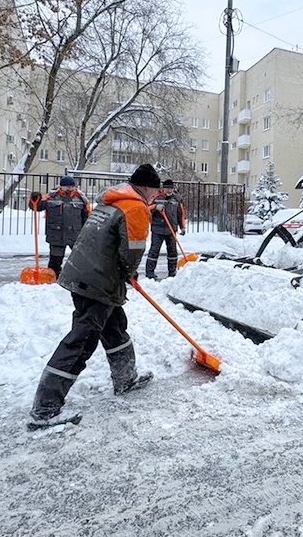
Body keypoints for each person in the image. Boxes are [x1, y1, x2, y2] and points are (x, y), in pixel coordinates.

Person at [28, 163, 162, 429]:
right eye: (156, 191)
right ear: (147, 187)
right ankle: (45, 408)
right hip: (96, 281)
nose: (156, 196)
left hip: (86, 273)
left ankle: (125, 379)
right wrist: (129, 272)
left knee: (114, 327)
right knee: (82, 341)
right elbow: (132, 251)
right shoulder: (135, 207)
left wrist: (123, 274)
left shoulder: (112, 201)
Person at [29, 176, 92, 277]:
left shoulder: (81, 199)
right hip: (57, 235)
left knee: (80, 260)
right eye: (66, 186)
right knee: (55, 261)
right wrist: (35, 198)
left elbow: (86, 216)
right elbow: (37, 206)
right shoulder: (51, 197)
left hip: (75, 235)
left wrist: (86, 232)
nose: (69, 188)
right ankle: (53, 278)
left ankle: (80, 278)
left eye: (71, 186)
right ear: (61, 187)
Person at [144, 178, 187, 280]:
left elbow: (181, 214)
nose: (169, 190)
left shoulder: (177, 199)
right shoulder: (155, 197)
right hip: (157, 229)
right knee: (154, 251)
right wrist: (155, 207)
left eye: (171, 188)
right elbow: (145, 208)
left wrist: (182, 227)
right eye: (167, 188)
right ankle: (150, 274)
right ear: (163, 188)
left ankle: (172, 273)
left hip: (171, 229)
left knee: (172, 251)